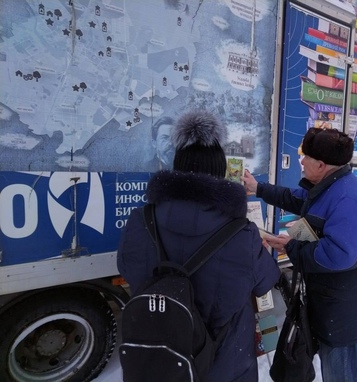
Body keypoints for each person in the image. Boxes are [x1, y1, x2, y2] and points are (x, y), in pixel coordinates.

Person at [118, 110, 281, 382]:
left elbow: (128, 267)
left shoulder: (141, 218)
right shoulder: (242, 233)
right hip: (224, 361)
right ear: (220, 171)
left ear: (177, 167)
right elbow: (266, 281)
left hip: (163, 358)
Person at [242, 128, 357, 382]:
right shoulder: (332, 186)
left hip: (343, 309)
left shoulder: (348, 198)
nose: (301, 162)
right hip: (332, 300)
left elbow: (340, 255)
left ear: (321, 164)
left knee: (340, 370)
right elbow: (298, 199)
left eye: (305, 158)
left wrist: (291, 247)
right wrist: (258, 189)